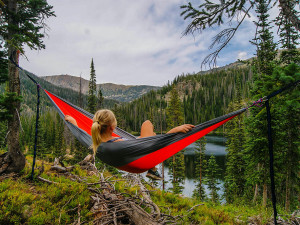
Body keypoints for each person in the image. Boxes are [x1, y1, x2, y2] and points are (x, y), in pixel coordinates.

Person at [65, 109, 194, 180]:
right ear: (112, 127)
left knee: (148, 133)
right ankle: (153, 169)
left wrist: (73, 123)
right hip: (140, 162)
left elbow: (81, 134)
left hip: (129, 156)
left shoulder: (95, 141)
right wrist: (174, 131)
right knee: (147, 124)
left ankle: (152, 166)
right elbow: (157, 145)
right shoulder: (118, 144)